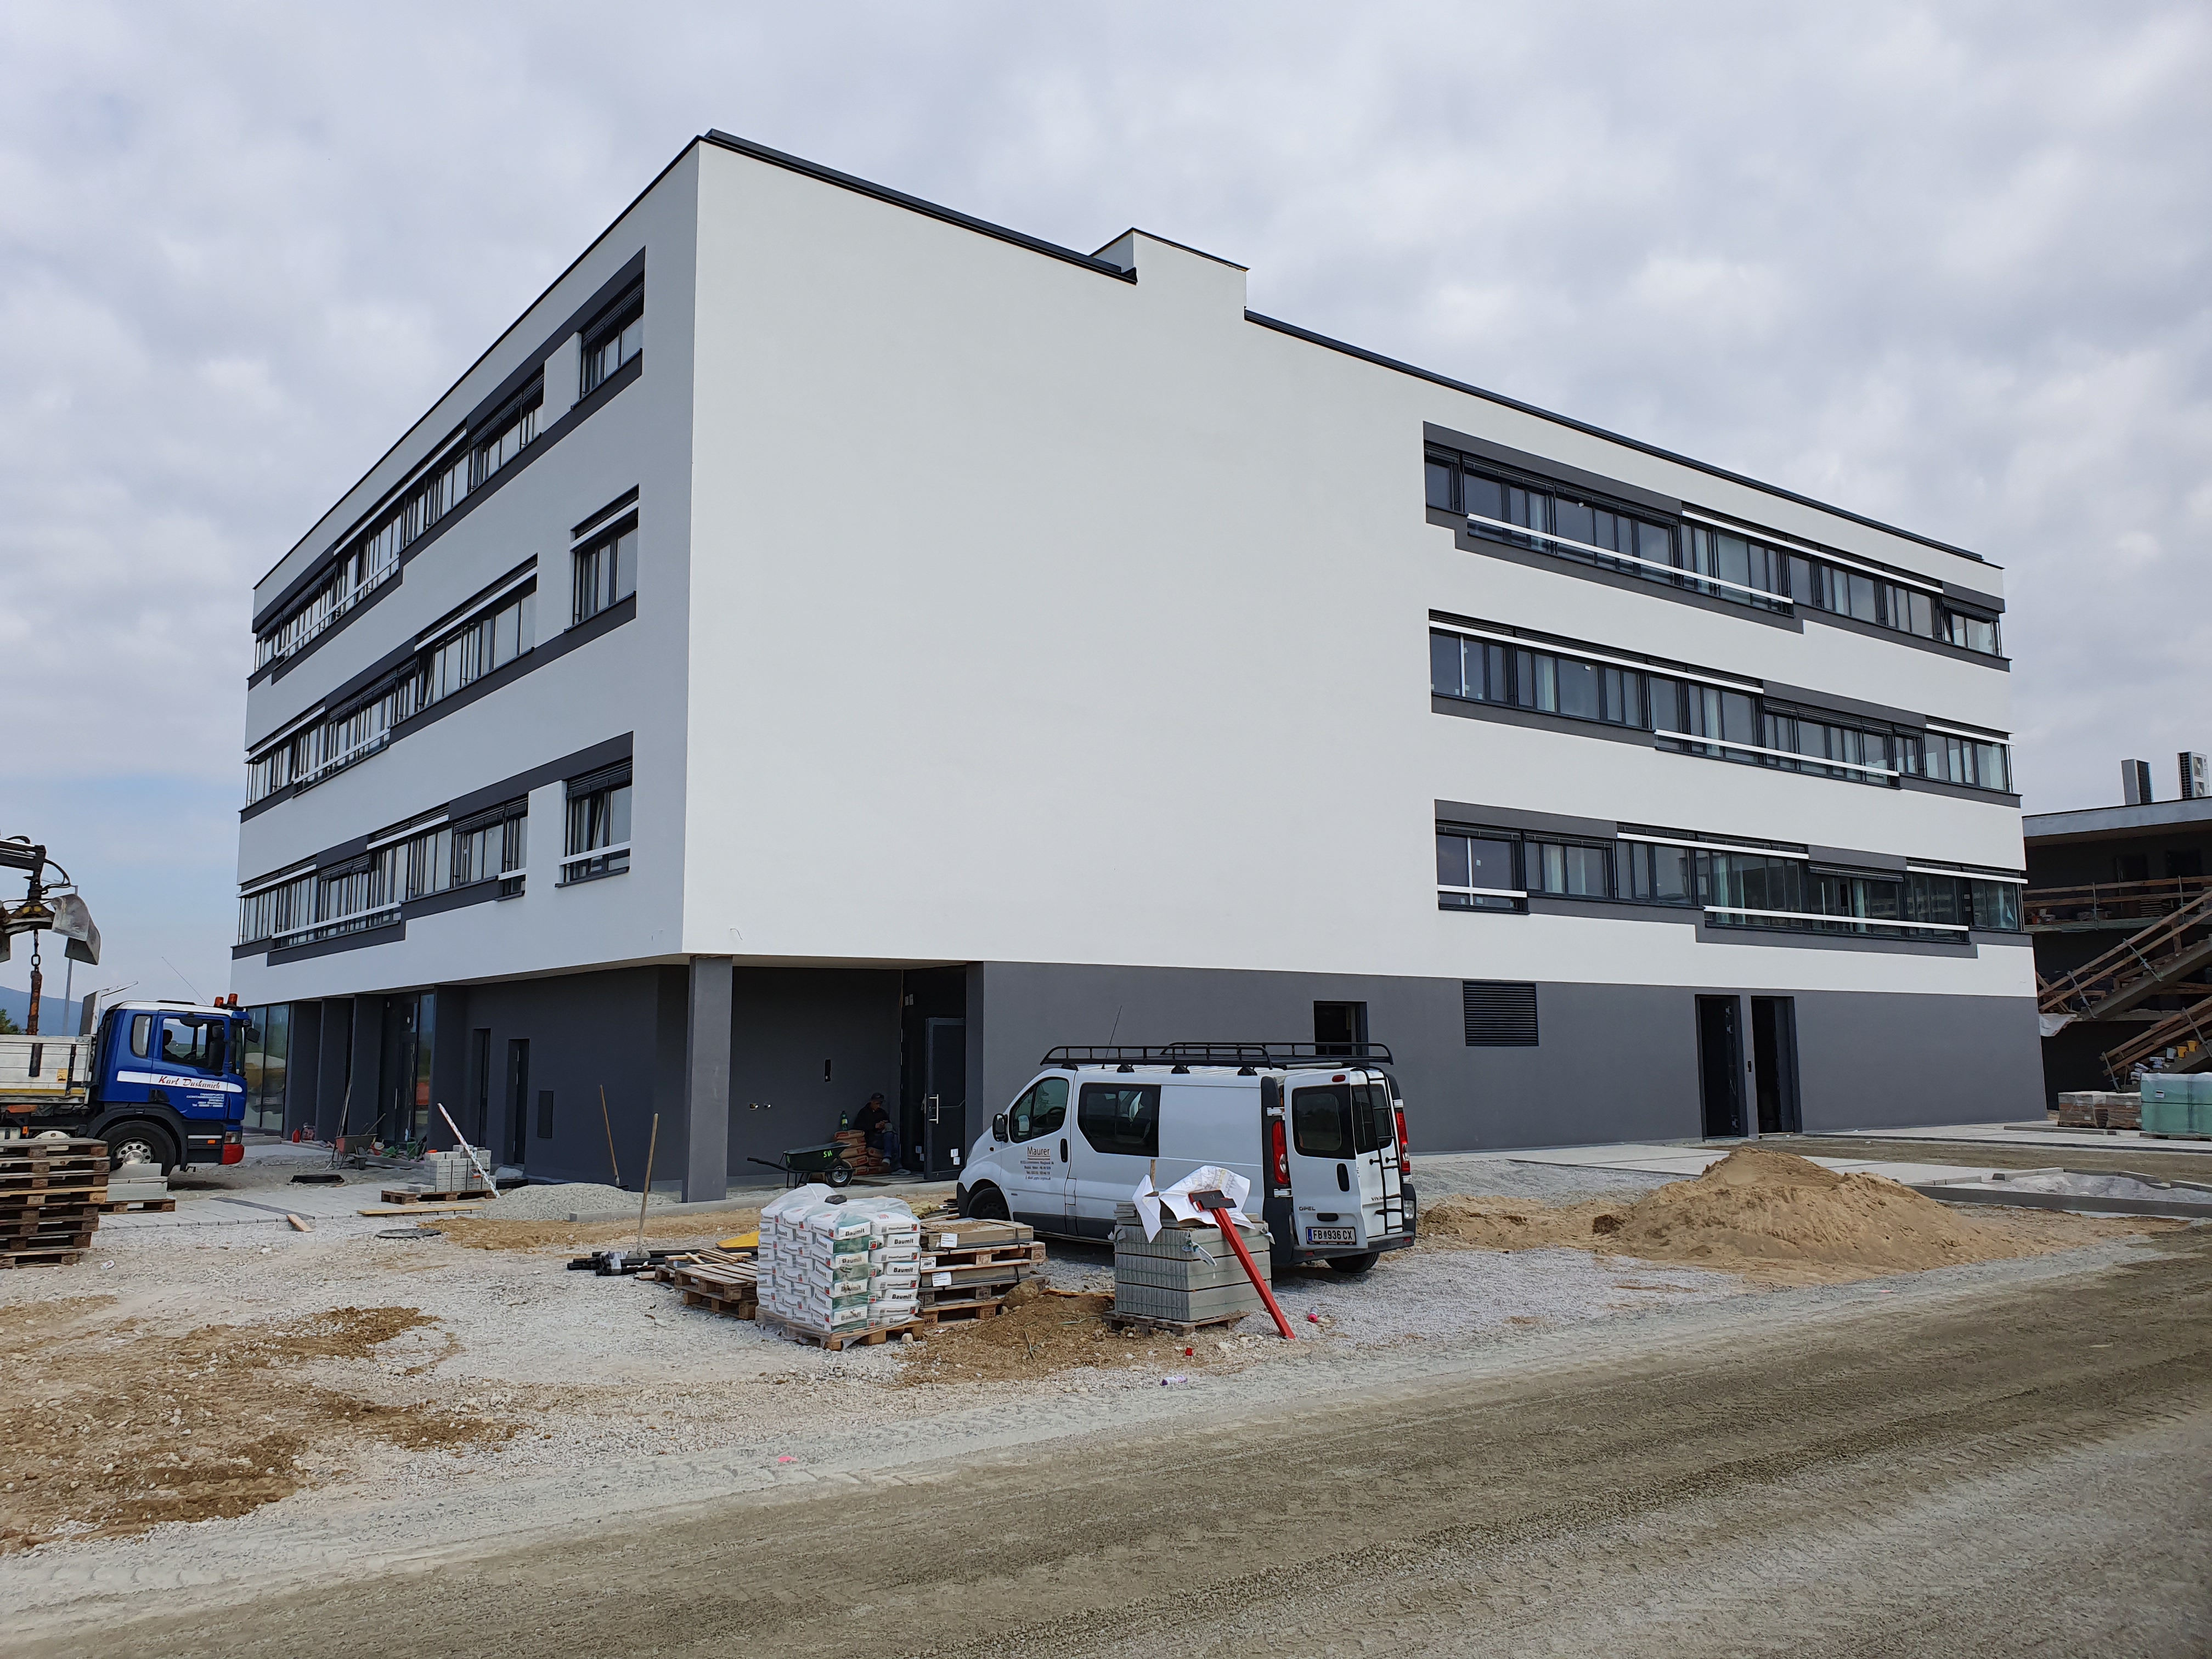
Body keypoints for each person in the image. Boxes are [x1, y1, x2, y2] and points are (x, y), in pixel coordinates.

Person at [855, 1093, 898, 1170]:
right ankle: (895, 1164)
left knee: (892, 1134)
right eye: (877, 1103)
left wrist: (884, 1125)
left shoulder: (882, 1112)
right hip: (871, 1138)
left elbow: (888, 1123)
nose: (878, 1106)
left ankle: (888, 1159)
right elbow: (858, 1127)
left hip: (883, 1137)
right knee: (892, 1137)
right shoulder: (864, 1112)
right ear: (872, 1102)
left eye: (880, 1104)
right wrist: (874, 1126)